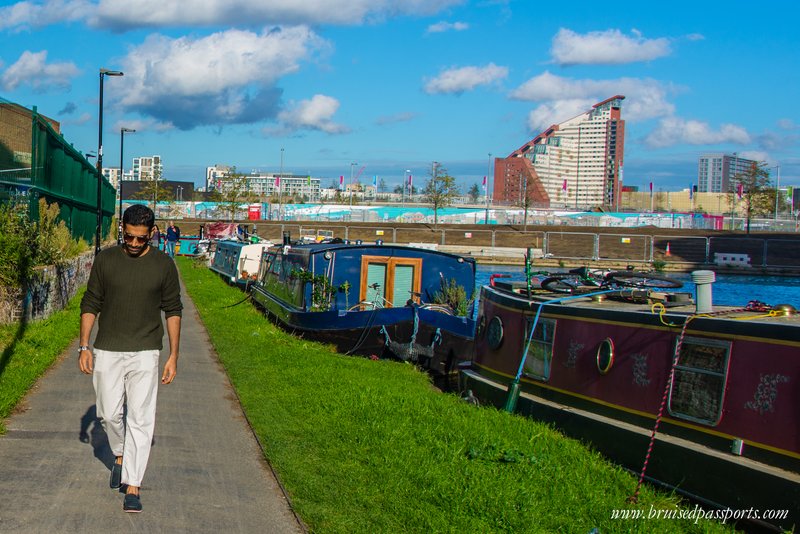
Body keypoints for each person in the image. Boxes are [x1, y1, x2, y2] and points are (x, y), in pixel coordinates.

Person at [79, 204, 182, 513]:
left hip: (146, 351)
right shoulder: (106, 260)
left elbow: (173, 310)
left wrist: (173, 355)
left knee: (141, 417)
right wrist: (84, 346)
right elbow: (91, 301)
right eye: (130, 238)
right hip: (108, 347)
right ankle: (121, 454)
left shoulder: (164, 265)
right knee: (108, 414)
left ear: (151, 233)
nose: (135, 244)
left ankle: (133, 483)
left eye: (142, 239)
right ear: (121, 229)